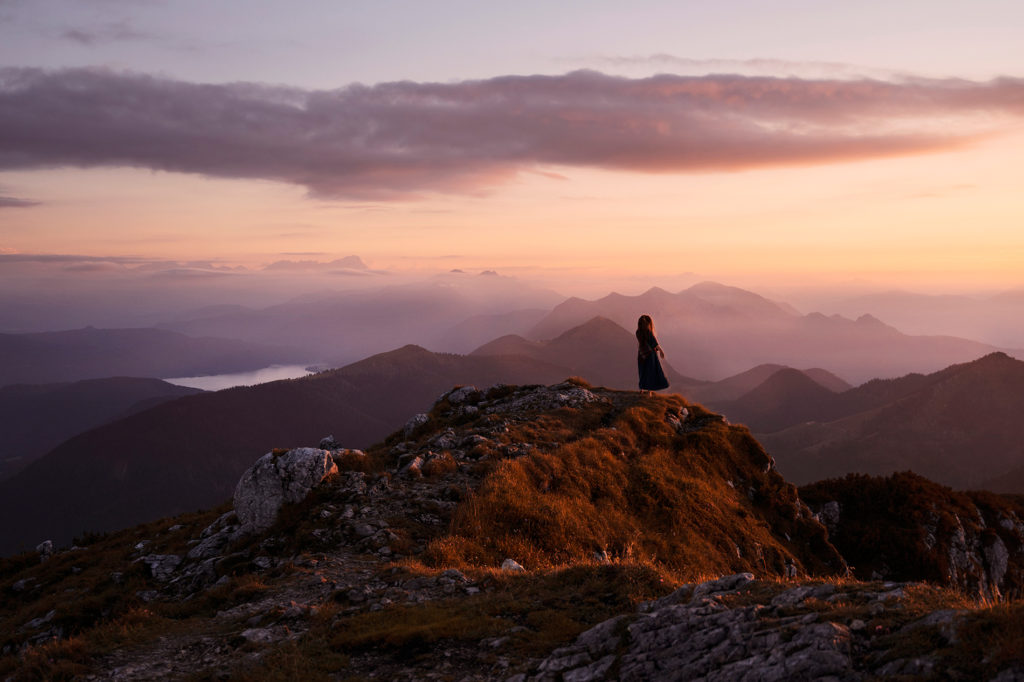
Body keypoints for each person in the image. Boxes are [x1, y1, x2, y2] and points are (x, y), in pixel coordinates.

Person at [636, 314, 669, 395]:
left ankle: (642, 388)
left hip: (641, 355)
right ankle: (649, 391)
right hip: (651, 356)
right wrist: (661, 351)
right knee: (651, 372)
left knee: (642, 371)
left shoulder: (638, 332)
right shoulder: (648, 332)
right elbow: (654, 344)